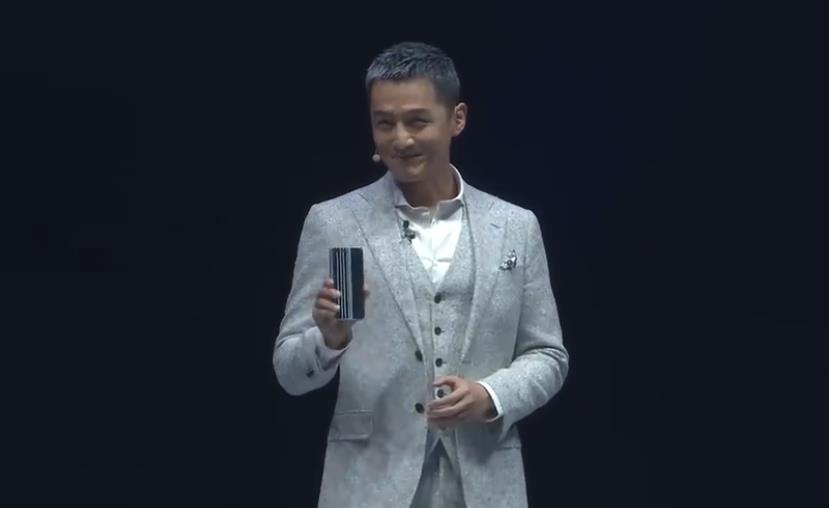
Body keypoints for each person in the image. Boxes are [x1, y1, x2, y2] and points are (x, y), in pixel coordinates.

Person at [273, 41, 569, 508]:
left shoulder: (514, 226)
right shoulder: (335, 222)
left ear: (457, 119)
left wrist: (491, 395)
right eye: (384, 123)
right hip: (368, 484)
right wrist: (329, 340)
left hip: (484, 482)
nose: (401, 139)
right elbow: (290, 372)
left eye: (417, 121)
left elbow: (548, 354)